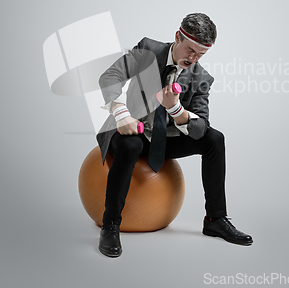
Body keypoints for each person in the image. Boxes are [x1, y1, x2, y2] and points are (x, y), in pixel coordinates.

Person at [95, 13, 253, 257]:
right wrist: (120, 112)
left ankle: (215, 219)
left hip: (163, 140)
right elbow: (110, 76)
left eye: (200, 54)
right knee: (129, 146)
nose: (193, 58)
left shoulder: (201, 78)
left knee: (215, 139)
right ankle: (110, 225)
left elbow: (201, 128)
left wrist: (175, 109)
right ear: (177, 37)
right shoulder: (147, 49)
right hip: (130, 130)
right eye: (190, 50)